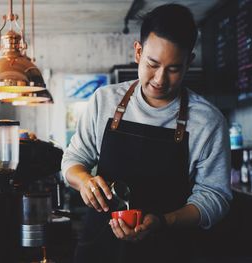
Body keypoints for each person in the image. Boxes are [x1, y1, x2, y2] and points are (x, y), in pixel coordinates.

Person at [61, 3, 232, 263]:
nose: (160, 79)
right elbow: (72, 160)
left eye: (174, 69)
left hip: (169, 250)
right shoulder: (104, 101)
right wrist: (84, 181)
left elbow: (215, 197)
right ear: (138, 52)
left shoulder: (208, 121)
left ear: (190, 62)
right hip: (99, 248)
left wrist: (164, 221)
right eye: (153, 64)